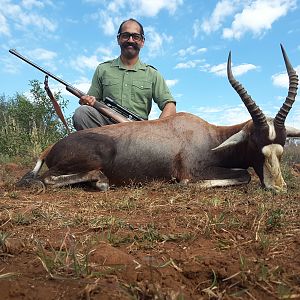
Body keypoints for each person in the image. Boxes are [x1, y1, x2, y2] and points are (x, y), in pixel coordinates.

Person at [73, 18, 176, 130]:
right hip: (106, 128)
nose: (130, 40)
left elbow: (169, 104)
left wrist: (155, 130)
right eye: (125, 35)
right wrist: (87, 101)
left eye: (136, 37)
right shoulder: (103, 69)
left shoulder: (153, 74)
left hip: (138, 130)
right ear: (118, 39)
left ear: (142, 42)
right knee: (81, 113)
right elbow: (92, 101)